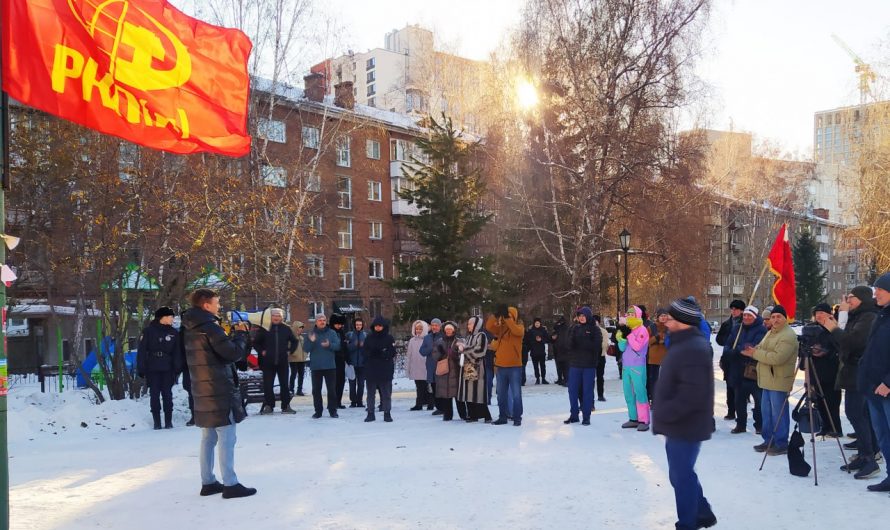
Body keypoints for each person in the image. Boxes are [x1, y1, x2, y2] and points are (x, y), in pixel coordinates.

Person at [181, 288, 256, 499]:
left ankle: (208, 482)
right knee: (227, 436)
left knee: (209, 437)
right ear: (206, 305)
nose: (219, 306)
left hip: (202, 388)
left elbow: (215, 353)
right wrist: (241, 335)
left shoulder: (190, 328)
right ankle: (231, 484)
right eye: (217, 302)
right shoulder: (210, 328)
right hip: (219, 389)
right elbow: (232, 353)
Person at [654, 296, 716, 530]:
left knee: (681, 476)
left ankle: (688, 524)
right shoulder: (681, 343)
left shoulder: (693, 348)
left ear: (683, 321)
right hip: (679, 423)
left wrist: (665, 413)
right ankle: (702, 512)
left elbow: (692, 394)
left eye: (670, 318)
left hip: (687, 423)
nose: (666, 321)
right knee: (680, 474)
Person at [818, 285, 880, 478]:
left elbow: (851, 342)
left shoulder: (868, 317)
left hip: (861, 371)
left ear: (862, 298)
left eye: (851, 297)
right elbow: (843, 343)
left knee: (856, 413)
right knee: (858, 414)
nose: (847, 301)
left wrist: (834, 327)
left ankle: (869, 457)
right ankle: (865, 454)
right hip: (854, 371)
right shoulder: (859, 316)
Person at [741, 305, 798, 455]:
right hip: (767, 379)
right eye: (773, 317)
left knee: (778, 414)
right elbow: (761, 348)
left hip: (779, 380)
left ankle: (781, 443)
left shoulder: (788, 335)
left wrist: (755, 353)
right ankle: (769, 440)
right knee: (766, 413)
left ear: (785, 318)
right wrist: (753, 350)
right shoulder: (771, 332)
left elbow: (777, 358)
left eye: (779, 317)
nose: (775, 319)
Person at [856, 272, 890, 492]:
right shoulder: (882, 315)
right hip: (873, 388)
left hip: (886, 388)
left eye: (880, 289)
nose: (876, 293)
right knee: (883, 435)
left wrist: (888, 382)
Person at [721, 306, 766, 434]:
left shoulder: (761, 329)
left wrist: (739, 350)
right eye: (745, 315)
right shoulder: (737, 328)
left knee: (759, 401)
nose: (746, 317)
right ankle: (741, 424)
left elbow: (752, 347)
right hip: (737, 370)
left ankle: (759, 425)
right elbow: (728, 346)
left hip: (753, 371)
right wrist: (737, 351)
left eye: (749, 315)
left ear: (755, 317)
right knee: (739, 400)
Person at [137, 306, 180, 430]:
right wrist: (141, 368)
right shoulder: (149, 331)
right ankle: (157, 422)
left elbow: (177, 352)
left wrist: (177, 367)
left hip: (168, 367)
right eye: (170, 317)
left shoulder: (173, 333)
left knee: (167, 394)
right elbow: (142, 350)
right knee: (154, 394)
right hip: (153, 366)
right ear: (163, 317)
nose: (172, 319)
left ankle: (168, 421)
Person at [252, 308, 298, 415]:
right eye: (274, 315)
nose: (276, 317)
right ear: (271, 317)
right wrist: (261, 351)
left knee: (284, 385)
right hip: (267, 362)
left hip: (282, 362)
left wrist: (290, 351)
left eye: (278, 316)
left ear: (282, 317)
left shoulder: (286, 328)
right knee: (268, 385)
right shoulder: (265, 328)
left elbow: (294, 341)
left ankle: (286, 406)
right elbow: (256, 343)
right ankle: (269, 406)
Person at [806, 303, 843, 437]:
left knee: (832, 401)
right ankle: (825, 426)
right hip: (815, 369)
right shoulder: (811, 328)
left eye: (822, 313)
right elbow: (805, 347)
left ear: (829, 314)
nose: (819, 315)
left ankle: (835, 428)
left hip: (831, 370)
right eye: (817, 313)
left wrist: (825, 351)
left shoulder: (834, 328)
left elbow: (840, 346)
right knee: (819, 401)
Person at [487, 305, 525, 426]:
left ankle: (517, 417)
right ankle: (502, 416)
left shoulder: (519, 328)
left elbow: (515, 331)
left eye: (508, 316)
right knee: (501, 395)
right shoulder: (500, 329)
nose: (505, 318)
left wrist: (508, 318)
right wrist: (495, 315)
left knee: (516, 394)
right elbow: (488, 327)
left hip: (515, 367)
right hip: (500, 366)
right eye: (505, 316)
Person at [565, 306, 602, 425]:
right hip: (575, 364)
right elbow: (569, 345)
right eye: (579, 316)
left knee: (587, 391)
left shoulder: (595, 329)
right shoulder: (575, 328)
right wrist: (571, 340)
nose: (581, 318)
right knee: (572, 391)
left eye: (583, 315)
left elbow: (596, 346)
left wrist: (583, 341)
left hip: (589, 365)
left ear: (588, 316)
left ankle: (586, 416)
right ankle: (574, 415)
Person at [618, 306, 650, 431]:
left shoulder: (642, 330)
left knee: (640, 392)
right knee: (628, 394)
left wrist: (629, 335)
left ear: (637, 315)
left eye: (632, 314)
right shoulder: (628, 329)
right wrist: (621, 339)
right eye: (628, 314)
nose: (629, 316)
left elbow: (637, 347)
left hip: (638, 366)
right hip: (626, 366)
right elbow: (622, 348)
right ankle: (633, 418)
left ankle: (644, 420)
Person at [303, 313, 342, 418]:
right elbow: (305, 349)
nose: (322, 322)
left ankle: (332, 410)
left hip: (330, 366)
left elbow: (338, 346)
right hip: (316, 367)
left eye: (324, 320)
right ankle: (318, 411)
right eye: (320, 320)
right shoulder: (311, 333)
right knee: (316, 391)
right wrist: (311, 341)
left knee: (332, 390)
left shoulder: (332, 333)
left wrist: (329, 345)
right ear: (316, 322)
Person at [362, 316, 396, 422]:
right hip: (371, 369)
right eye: (376, 326)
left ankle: (387, 413)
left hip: (385, 369)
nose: (378, 327)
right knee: (370, 394)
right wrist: (372, 353)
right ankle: (370, 413)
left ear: (383, 326)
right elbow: (364, 352)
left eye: (380, 326)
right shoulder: (369, 338)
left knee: (386, 394)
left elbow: (392, 352)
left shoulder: (389, 338)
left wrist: (383, 354)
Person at [716, 299, 745, 421]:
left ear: (742, 311)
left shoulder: (745, 324)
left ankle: (741, 413)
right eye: (732, 309)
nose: (733, 311)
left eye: (736, 309)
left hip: (741, 359)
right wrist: (728, 341)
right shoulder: (727, 324)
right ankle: (731, 411)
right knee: (729, 386)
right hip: (728, 359)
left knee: (741, 387)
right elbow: (719, 339)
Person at [458, 315, 491, 422]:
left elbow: (480, 351)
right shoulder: (469, 337)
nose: (468, 326)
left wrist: (464, 349)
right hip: (467, 367)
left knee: (478, 392)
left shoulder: (481, 336)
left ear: (477, 325)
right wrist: (461, 349)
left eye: (470, 324)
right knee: (469, 392)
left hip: (478, 368)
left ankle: (486, 415)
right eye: (468, 324)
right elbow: (465, 351)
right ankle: (473, 415)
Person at [434, 322, 463, 421]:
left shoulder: (459, 341)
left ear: (454, 330)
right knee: (446, 395)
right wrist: (440, 353)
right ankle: (447, 415)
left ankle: (463, 414)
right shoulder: (439, 342)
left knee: (458, 395)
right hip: (444, 371)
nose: (448, 331)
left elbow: (463, 355)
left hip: (456, 371)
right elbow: (435, 356)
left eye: (450, 329)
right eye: (447, 329)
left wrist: (454, 354)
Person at [406, 320, 431, 411]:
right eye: (417, 329)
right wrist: (408, 366)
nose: (418, 331)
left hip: (425, 366)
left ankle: (430, 403)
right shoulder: (412, 341)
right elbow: (409, 354)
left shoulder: (428, 339)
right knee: (419, 386)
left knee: (428, 386)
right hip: (415, 367)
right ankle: (419, 404)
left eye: (420, 329)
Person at [420, 318, 444, 414]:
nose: (434, 327)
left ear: (440, 326)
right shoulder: (427, 338)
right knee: (434, 387)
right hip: (430, 366)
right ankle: (438, 407)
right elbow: (422, 351)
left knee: (441, 388)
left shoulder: (444, 336)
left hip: (441, 365)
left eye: (436, 325)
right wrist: (430, 349)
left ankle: (444, 407)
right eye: (433, 325)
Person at [647, 309, 669, 408]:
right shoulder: (651, 327)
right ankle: (654, 400)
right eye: (661, 316)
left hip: (667, 358)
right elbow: (647, 342)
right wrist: (656, 338)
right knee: (654, 381)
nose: (663, 318)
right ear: (658, 317)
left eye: (665, 316)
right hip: (654, 358)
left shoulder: (670, 327)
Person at [346, 317, 368, 408]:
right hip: (352, 364)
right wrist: (354, 345)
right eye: (357, 325)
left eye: (360, 325)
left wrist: (364, 346)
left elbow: (368, 349)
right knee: (352, 384)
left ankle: (359, 401)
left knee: (361, 384)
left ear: (362, 325)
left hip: (362, 364)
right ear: (354, 325)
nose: (358, 326)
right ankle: (353, 401)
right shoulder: (350, 335)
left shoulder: (365, 335)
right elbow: (346, 349)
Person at [329, 313, 349, 409]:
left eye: (341, 324)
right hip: (332, 360)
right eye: (338, 324)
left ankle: (338, 401)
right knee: (333, 382)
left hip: (341, 360)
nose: (339, 326)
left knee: (341, 381)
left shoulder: (341, 332)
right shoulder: (329, 332)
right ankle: (332, 402)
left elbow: (344, 346)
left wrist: (347, 358)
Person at [525, 318, 550, 384]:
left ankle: (543, 378)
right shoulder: (531, 331)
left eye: (538, 323)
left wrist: (541, 340)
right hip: (534, 351)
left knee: (543, 366)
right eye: (536, 323)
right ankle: (537, 378)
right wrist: (534, 340)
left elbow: (547, 339)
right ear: (534, 323)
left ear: (540, 323)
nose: (537, 324)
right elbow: (528, 340)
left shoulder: (543, 330)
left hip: (541, 351)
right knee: (535, 366)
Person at [288, 320, 307, 396]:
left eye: (302, 328)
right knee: (293, 374)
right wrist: (293, 353)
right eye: (300, 328)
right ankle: (291, 390)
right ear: (296, 328)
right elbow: (288, 347)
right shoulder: (291, 337)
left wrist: (305, 354)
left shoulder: (301, 337)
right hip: (293, 359)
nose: (301, 329)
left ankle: (299, 390)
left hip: (302, 359)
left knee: (301, 375)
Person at [593, 314, 610, 402]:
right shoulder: (589, 330)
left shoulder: (603, 331)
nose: (594, 323)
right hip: (590, 357)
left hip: (600, 356)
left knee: (600, 377)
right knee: (590, 377)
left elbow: (604, 344)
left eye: (596, 321)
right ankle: (590, 395)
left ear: (598, 322)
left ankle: (600, 395)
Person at [552, 316, 572, 386]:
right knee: (561, 366)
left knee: (564, 366)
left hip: (564, 349)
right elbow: (554, 331)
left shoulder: (567, 328)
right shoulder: (558, 328)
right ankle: (562, 379)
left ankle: (565, 380)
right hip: (560, 349)